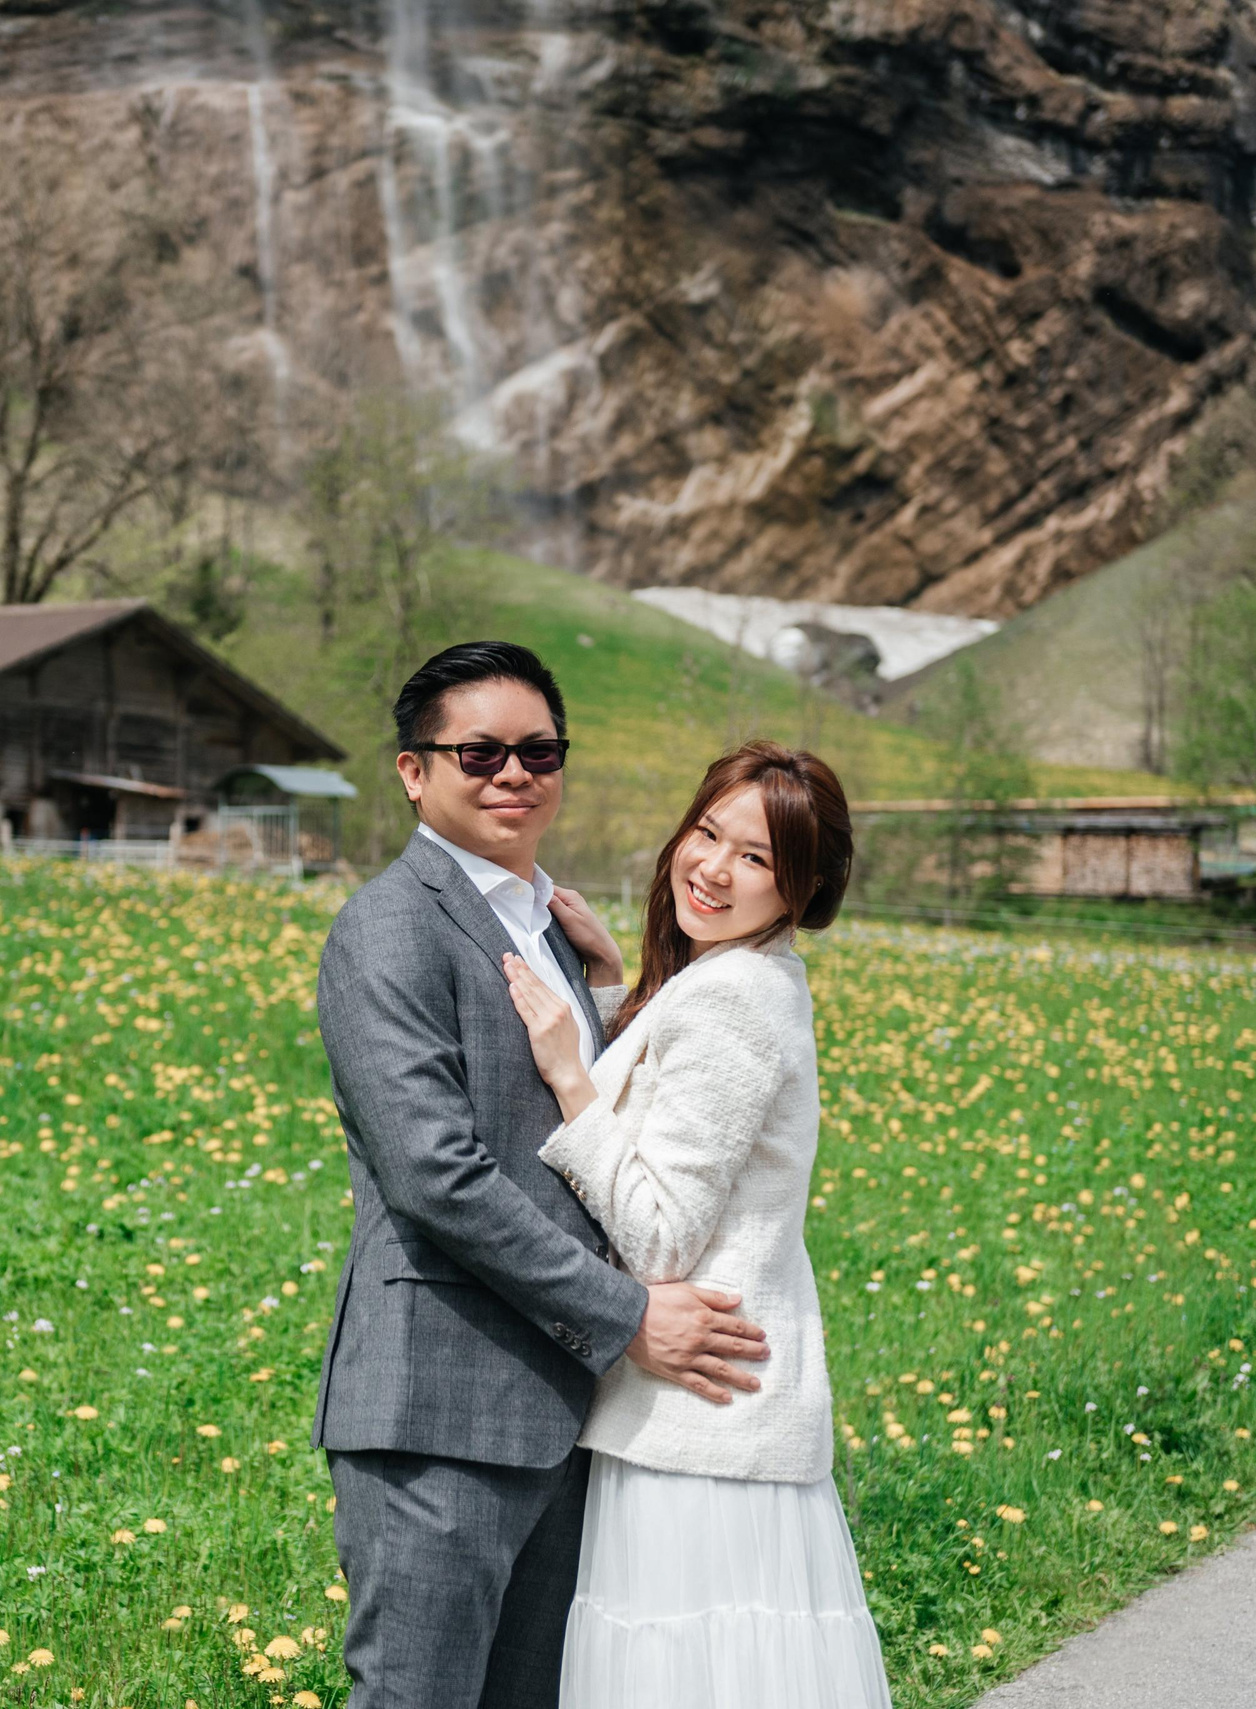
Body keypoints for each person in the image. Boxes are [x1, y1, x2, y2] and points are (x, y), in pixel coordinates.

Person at [314, 642, 773, 1709]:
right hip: (438, 1404)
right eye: (478, 751)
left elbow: (582, 1116)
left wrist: (609, 991)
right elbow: (436, 1174)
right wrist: (625, 1314)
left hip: (565, 1409)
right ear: (413, 771)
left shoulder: (549, 924)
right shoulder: (387, 929)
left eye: (539, 750)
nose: (512, 772)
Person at [500, 740, 893, 1708]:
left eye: (755, 856)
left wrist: (566, 1072)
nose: (712, 867)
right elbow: (678, 1113)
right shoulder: (736, 979)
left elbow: (661, 1233)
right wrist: (606, 991)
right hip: (714, 1419)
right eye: (707, 832)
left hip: (698, 1427)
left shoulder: (734, 1000)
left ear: (803, 886)